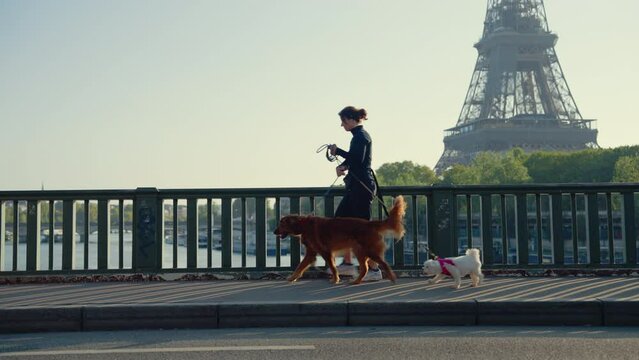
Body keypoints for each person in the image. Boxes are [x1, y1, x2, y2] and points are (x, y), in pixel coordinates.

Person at [327, 105, 382, 282]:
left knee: (361, 230)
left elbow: (357, 160)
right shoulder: (359, 136)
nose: (342, 126)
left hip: (361, 188)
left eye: (343, 122)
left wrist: (339, 154)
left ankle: (374, 269)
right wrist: (343, 164)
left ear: (350, 119)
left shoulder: (360, 136)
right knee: (341, 224)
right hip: (356, 188)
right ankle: (349, 264)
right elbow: (356, 160)